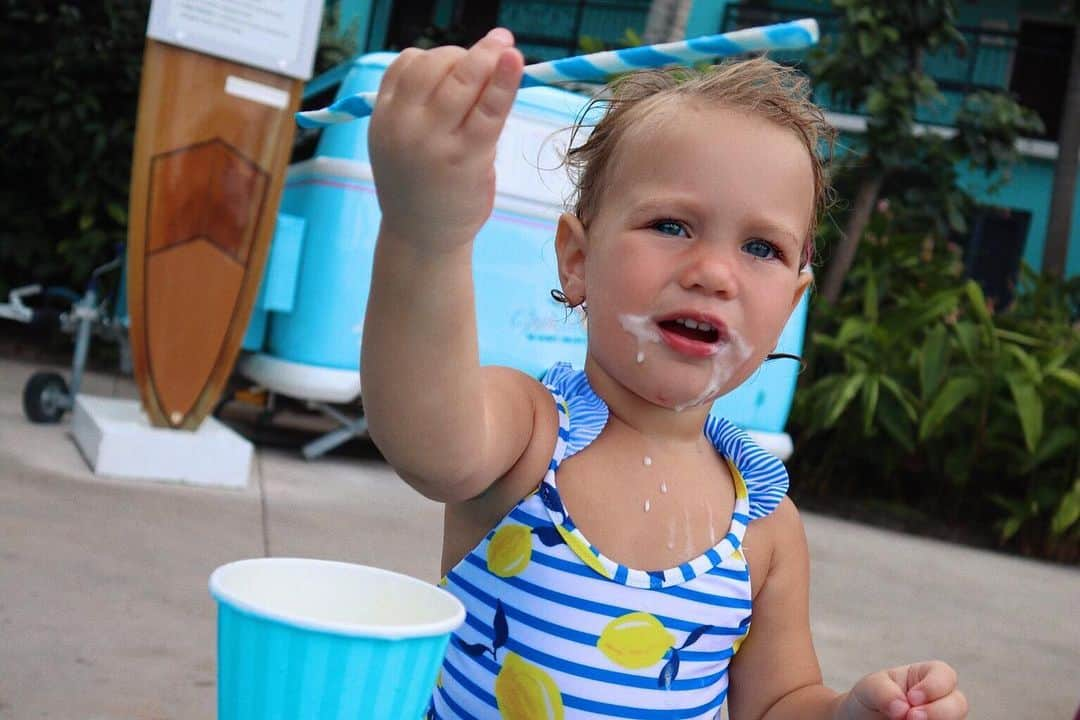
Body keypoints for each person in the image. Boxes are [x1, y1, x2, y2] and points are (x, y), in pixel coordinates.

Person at [362, 27, 968, 720]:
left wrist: (849, 714)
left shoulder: (765, 530)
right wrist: (425, 232)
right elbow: (423, 435)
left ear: (791, 302)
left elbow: (777, 703)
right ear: (577, 259)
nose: (712, 273)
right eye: (673, 226)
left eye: (761, 248)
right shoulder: (531, 436)